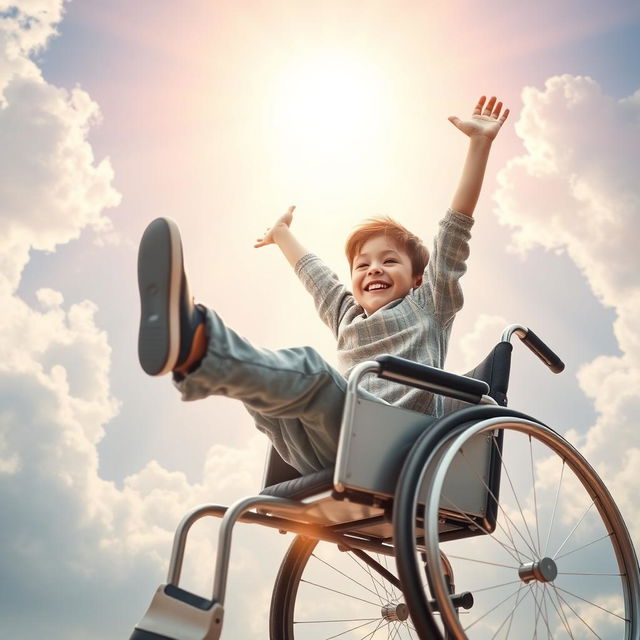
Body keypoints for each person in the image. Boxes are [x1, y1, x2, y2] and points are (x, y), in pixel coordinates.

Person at [137, 95, 510, 474]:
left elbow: (453, 233)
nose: (373, 270)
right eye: (362, 265)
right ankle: (193, 343)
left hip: (396, 446)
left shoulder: (429, 304)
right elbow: (317, 277)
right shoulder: (347, 316)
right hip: (324, 451)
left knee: (311, 372)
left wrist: (479, 143)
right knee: (265, 397)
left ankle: (196, 341)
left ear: (417, 278)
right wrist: (282, 235)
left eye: (389, 261)